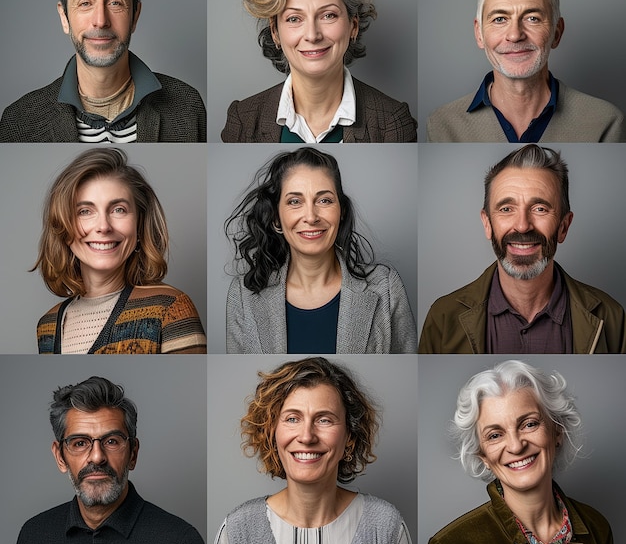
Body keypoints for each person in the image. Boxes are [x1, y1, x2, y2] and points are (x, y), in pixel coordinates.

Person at [419, 144, 626, 353]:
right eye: (507, 209)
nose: (522, 225)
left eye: (540, 209)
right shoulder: (443, 318)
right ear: (487, 224)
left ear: (563, 227)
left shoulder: (611, 317)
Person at [210, 356, 416, 544]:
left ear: (349, 437)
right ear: (272, 433)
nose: (307, 436)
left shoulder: (386, 526)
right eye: (292, 419)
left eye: (324, 419)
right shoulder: (238, 530)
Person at [225, 147, 417, 353]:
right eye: (295, 201)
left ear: (341, 211)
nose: (311, 216)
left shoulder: (385, 287)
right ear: (275, 218)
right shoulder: (243, 294)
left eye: (324, 200)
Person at [0, 0, 206, 142]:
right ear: (64, 17)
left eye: (115, 3)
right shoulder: (18, 121)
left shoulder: (188, 106)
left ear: (135, 15)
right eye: (85, 3)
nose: (100, 20)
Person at [425, 360, 614, 544]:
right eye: (495, 435)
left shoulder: (597, 527)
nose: (516, 446)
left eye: (529, 424)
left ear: (557, 431)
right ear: (482, 456)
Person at [221, 0, 416, 143]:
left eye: (328, 15)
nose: (312, 35)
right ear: (275, 32)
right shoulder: (243, 119)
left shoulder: (393, 120)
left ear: (353, 26)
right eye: (294, 19)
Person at [427, 0, 625, 142]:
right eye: (500, 19)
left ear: (557, 32)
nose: (515, 35)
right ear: (479, 34)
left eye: (532, 18)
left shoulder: (606, 123)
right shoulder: (442, 125)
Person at [12, 376, 208, 544]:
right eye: (80, 443)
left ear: (133, 453)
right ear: (60, 457)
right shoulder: (33, 537)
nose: (97, 457)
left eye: (111, 441)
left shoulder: (180, 543)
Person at [31, 147, 206, 354]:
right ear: (63, 227)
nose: (103, 226)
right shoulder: (47, 325)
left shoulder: (172, 308)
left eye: (118, 210)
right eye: (85, 211)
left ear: (139, 225)